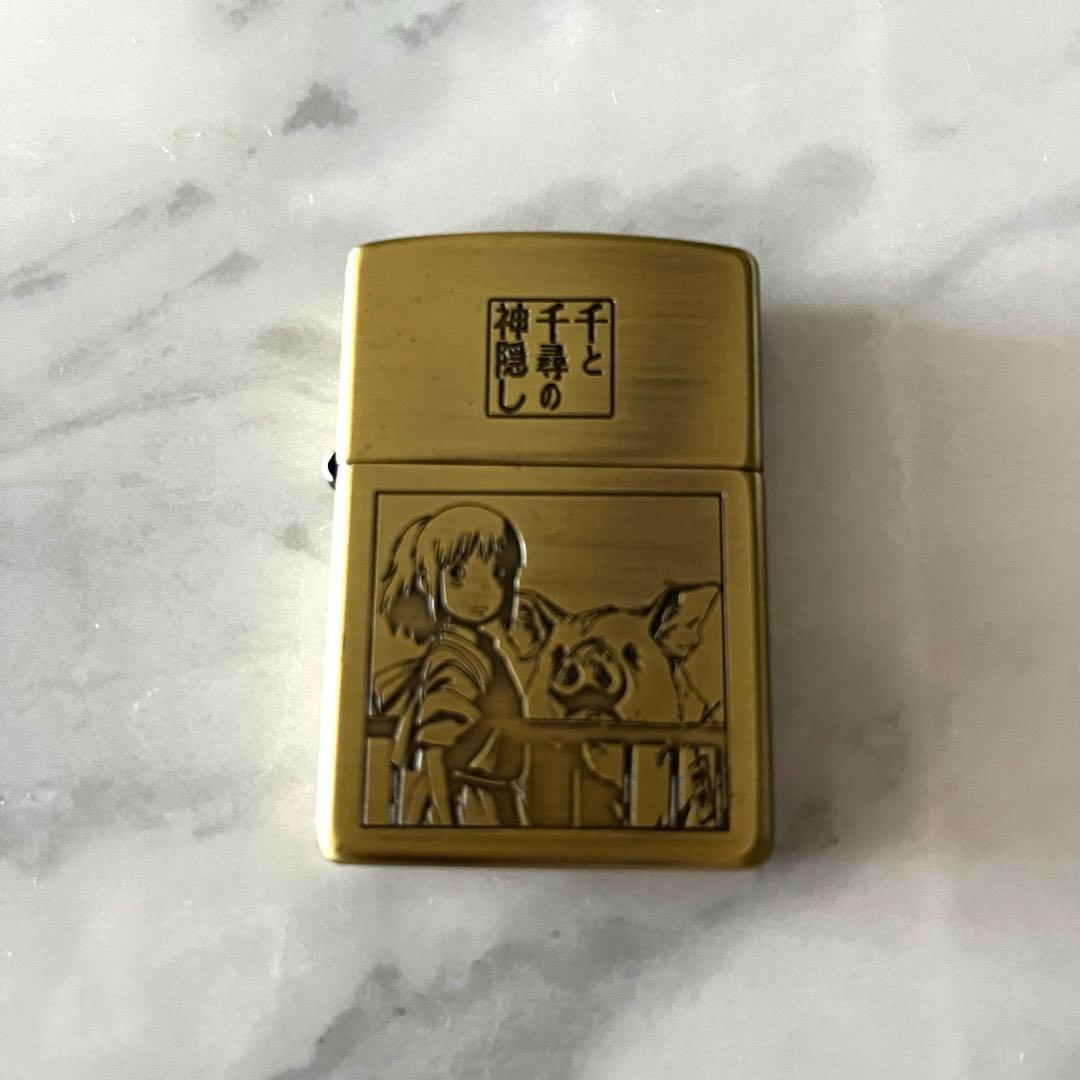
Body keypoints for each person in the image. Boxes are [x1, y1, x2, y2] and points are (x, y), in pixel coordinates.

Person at [372, 503, 529, 826]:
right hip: (470, 806)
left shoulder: (476, 650)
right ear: (429, 579)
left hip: (477, 798)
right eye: (458, 573)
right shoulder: (455, 657)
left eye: (498, 572)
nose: (483, 587)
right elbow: (436, 751)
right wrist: (446, 823)